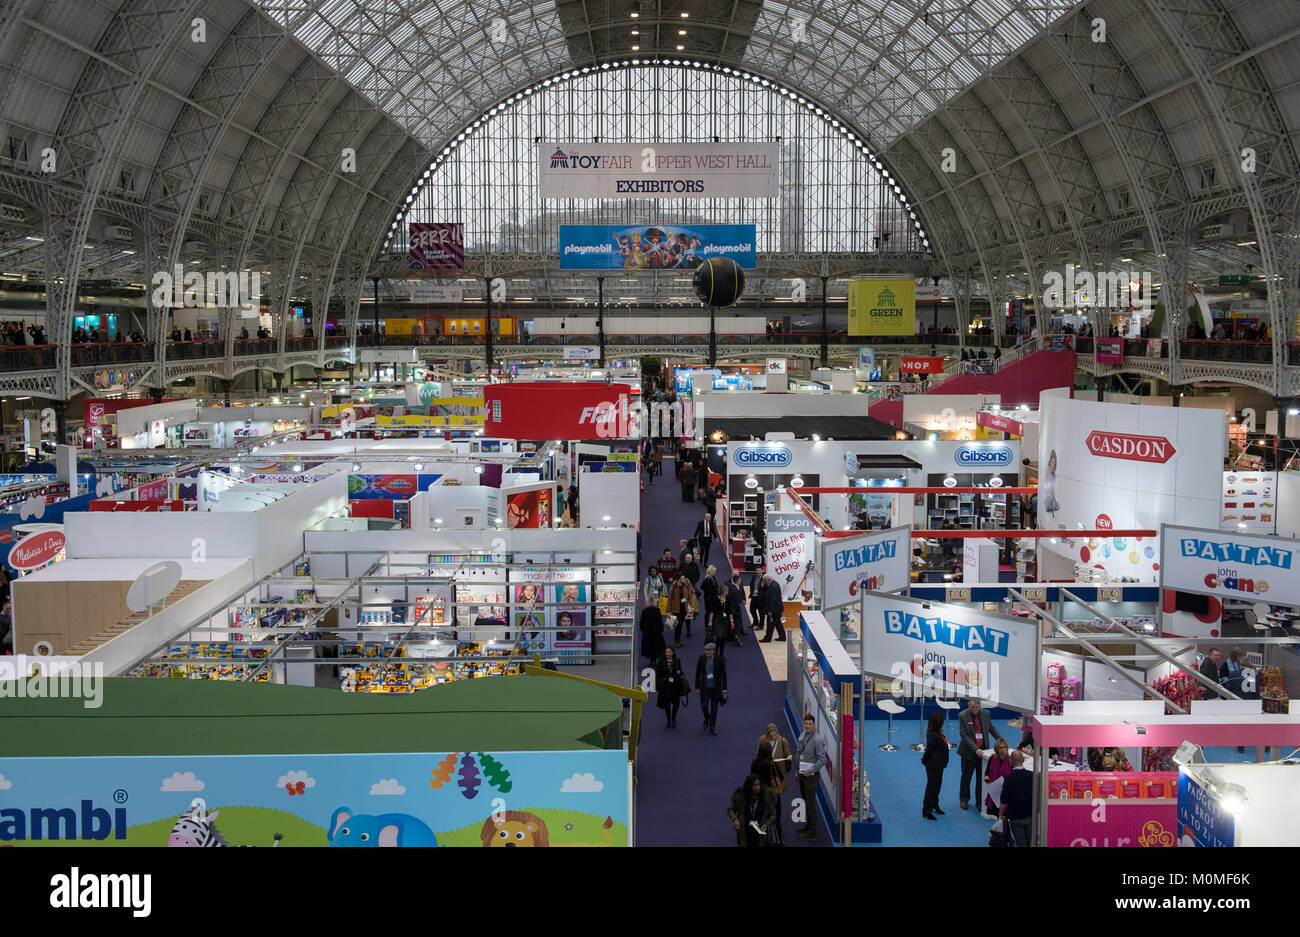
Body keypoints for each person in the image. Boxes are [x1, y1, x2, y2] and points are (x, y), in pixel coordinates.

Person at [957, 698, 1004, 810]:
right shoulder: (962, 715)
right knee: (966, 777)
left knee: (981, 778)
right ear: (969, 706)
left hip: (983, 753)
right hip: (969, 752)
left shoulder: (986, 714)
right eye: (972, 707)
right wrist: (975, 749)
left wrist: (1001, 740)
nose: (975, 710)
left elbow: (991, 728)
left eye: (977, 707)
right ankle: (964, 799)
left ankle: (979, 801)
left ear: (980, 706)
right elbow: (964, 735)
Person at [794, 713, 828, 839]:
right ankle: (809, 825)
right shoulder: (803, 735)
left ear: (814, 725)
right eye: (806, 723)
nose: (807, 726)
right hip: (802, 774)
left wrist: (811, 770)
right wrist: (797, 771)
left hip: (811, 776)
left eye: (810, 724)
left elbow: (822, 760)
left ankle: (813, 832)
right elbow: (798, 753)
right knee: (805, 800)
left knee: (810, 803)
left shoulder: (818, 740)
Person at [727, 773, 777, 847]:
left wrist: (766, 824)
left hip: (760, 830)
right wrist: (735, 819)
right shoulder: (741, 796)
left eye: (758, 784)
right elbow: (730, 809)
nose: (757, 787)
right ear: (749, 786)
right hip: (746, 831)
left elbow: (773, 815)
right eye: (754, 785)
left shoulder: (766, 796)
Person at [999, 750, 1034, 846]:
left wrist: (1001, 814)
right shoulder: (1032, 776)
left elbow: (1004, 799)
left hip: (1015, 816)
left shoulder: (1008, 778)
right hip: (1030, 814)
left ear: (1011, 761)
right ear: (1023, 760)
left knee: (1021, 843)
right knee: (1030, 841)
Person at [921, 711, 949, 820]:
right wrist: (924, 760)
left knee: (937, 787)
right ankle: (926, 810)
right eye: (941, 721)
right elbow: (929, 751)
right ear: (938, 723)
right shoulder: (933, 736)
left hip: (939, 765)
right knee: (931, 788)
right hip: (933, 766)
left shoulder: (938, 734)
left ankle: (935, 805)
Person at [695, 643, 727, 735]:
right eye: (706, 650)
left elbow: (724, 674)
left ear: (713, 650)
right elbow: (698, 673)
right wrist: (697, 686)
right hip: (705, 688)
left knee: (714, 709)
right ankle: (707, 718)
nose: (707, 652)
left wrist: (724, 688)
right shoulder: (701, 658)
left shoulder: (720, 659)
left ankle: (712, 727)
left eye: (709, 650)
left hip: (715, 689)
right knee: (704, 706)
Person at [654, 645, 686, 728]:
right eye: (666, 652)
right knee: (667, 705)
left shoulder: (677, 661)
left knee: (676, 704)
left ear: (673, 653)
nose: (667, 653)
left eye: (669, 652)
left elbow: (680, 671)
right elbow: (657, 674)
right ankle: (668, 720)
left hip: (675, 686)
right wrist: (659, 685)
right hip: (665, 687)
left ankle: (673, 718)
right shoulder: (660, 661)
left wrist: (680, 672)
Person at [756, 723, 792, 797]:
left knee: (777, 792)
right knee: (765, 794)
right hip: (766, 771)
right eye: (771, 736)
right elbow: (758, 755)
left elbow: (787, 755)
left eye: (775, 735)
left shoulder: (782, 741)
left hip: (778, 772)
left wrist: (789, 758)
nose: (773, 737)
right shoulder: (762, 740)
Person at [666, 572, 697, 646]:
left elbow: (690, 598)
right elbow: (669, 599)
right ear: (678, 579)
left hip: (684, 609)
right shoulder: (673, 588)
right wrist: (668, 611)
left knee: (681, 624)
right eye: (683, 578)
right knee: (679, 624)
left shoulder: (686, 586)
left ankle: (678, 640)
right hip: (676, 609)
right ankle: (676, 641)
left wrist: (692, 607)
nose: (684, 579)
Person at [984, 737, 1013, 815]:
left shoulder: (1010, 760)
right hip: (994, 792)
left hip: (1005, 792)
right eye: (1000, 748)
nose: (1003, 750)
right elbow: (987, 772)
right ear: (996, 749)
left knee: (1004, 816)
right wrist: (987, 777)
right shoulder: (992, 758)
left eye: (1004, 747)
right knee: (996, 815)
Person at [760, 573, 786, 642]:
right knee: (777, 623)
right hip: (777, 609)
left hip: (774, 610)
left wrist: (770, 611)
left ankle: (767, 638)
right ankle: (782, 637)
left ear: (768, 579)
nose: (764, 581)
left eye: (764, 580)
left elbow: (773, 600)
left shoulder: (773, 586)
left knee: (770, 624)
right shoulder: (774, 584)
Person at [725, 573, 746, 644]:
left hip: (729, 608)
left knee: (730, 623)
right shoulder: (737, 590)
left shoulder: (730, 587)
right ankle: (735, 638)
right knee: (736, 624)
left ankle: (728, 637)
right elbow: (737, 603)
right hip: (735, 610)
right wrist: (738, 610)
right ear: (738, 581)